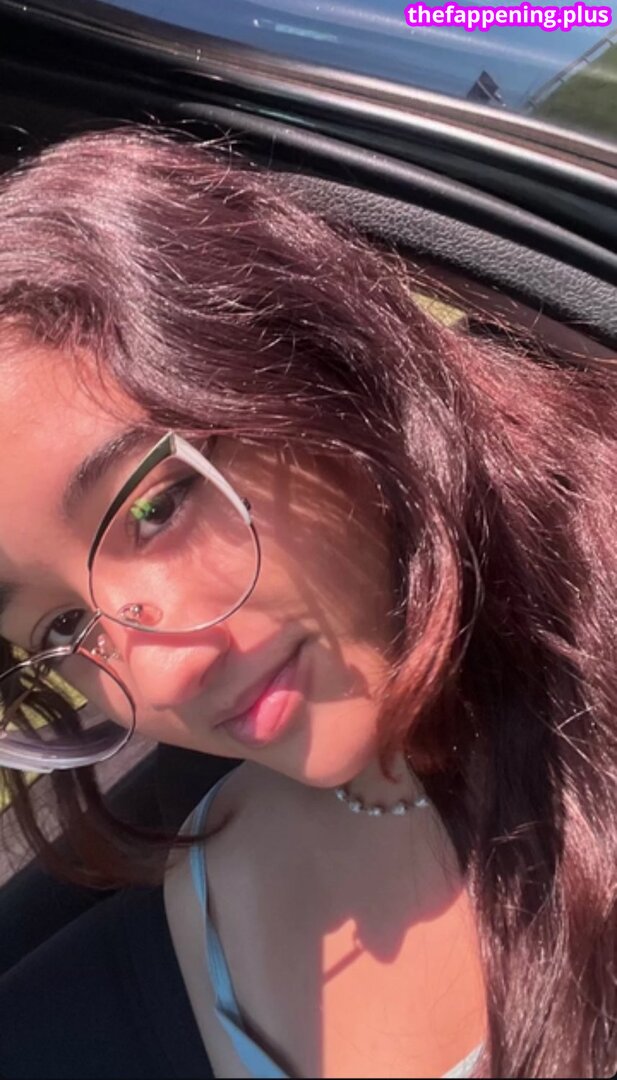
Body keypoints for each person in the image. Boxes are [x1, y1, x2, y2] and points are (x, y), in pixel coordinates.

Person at [0, 126, 614, 1080]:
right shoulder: (194, 905)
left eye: (157, 508)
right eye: (64, 628)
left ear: (313, 357)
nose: (162, 674)